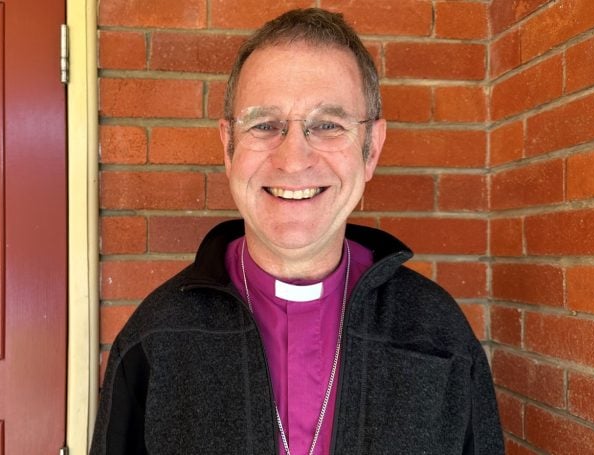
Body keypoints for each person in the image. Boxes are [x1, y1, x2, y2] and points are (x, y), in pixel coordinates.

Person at [91, 8, 504, 455]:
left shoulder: (439, 336)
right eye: (265, 125)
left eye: (328, 125)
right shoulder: (154, 338)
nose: (293, 159)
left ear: (372, 149)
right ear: (228, 147)